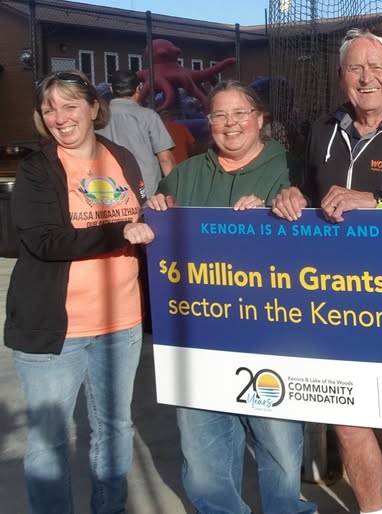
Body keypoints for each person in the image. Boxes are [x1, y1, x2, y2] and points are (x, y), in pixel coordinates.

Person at [272, 28, 382, 514]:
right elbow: (309, 196)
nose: (366, 77)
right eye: (355, 68)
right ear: (340, 76)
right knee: (349, 425)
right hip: (337, 302)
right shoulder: (321, 129)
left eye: (377, 67)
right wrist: (292, 196)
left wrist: (378, 201)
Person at [146, 81, 317, 514]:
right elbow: (163, 235)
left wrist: (284, 208)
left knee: (279, 449)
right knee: (204, 460)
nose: (230, 124)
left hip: (271, 337)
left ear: (260, 119)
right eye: (220, 115)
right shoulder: (184, 175)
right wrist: (154, 215)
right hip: (198, 337)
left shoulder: (293, 171)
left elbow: (316, 252)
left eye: (240, 113)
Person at [5, 70, 155, 514]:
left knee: (115, 429)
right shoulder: (37, 169)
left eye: (69, 106)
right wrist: (119, 231)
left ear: (93, 108)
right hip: (57, 330)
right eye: (49, 109)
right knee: (50, 441)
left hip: (121, 325)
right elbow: (43, 241)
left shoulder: (121, 156)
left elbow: (142, 216)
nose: (59, 117)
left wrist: (154, 214)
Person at [97, 69, 176, 195]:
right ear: (138, 89)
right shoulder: (149, 116)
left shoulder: (98, 118)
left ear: (111, 89)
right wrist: (175, 190)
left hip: (110, 190)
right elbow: (165, 159)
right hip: (147, 191)